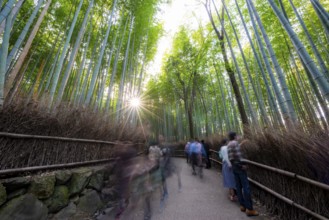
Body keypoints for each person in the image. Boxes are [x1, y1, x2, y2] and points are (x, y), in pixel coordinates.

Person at [227, 132, 259, 216]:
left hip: (234, 167)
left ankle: (242, 205)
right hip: (239, 167)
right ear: (234, 136)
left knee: (238, 186)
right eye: (237, 135)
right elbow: (239, 155)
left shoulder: (229, 144)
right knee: (246, 187)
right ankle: (250, 209)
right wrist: (243, 165)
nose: (238, 137)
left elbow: (232, 156)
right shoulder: (235, 143)